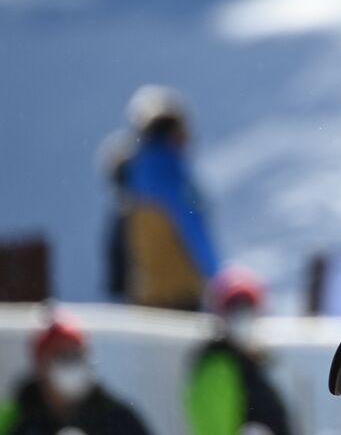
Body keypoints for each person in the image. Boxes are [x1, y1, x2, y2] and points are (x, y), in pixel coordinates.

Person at [110, 84, 221, 310]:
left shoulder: (133, 178)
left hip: (146, 298)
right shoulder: (172, 175)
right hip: (181, 295)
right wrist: (218, 280)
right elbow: (194, 226)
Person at [0, 314, 152, 435]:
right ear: (40, 363)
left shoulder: (118, 419)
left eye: (76, 356)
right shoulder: (12, 418)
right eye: (62, 356)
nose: (71, 363)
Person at [186, 268, 294, 435]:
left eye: (248, 307)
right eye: (235, 308)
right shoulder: (216, 367)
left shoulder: (256, 363)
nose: (243, 316)